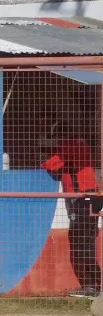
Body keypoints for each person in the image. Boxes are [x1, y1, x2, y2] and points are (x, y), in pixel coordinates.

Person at [43, 124, 100, 297]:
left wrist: (44, 159)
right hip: (93, 197)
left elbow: (51, 165)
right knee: (86, 240)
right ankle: (94, 285)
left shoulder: (69, 146)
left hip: (84, 198)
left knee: (81, 241)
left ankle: (93, 286)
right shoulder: (80, 144)